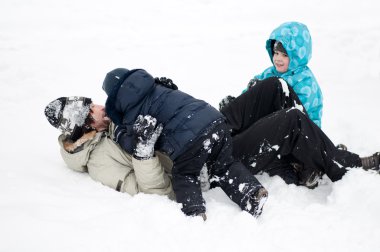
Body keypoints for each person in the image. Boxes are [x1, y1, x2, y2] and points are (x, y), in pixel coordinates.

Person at [102, 68, 269, 220]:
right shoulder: (156, 86)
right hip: (214, 120)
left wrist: (119, 133)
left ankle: (194, 213)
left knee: (184, 174)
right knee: (224, 164)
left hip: (190, 140)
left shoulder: (132, 112)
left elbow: (135, 143)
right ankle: (252, 194)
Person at [220, 77, 380, 188]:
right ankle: (341, 163)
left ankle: (309, 162)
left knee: (277, 86)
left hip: (219, 128)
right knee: (292, 119)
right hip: (218, 154)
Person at [44, 96, 174, 198]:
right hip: (186, 181)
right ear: (86, 127)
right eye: (91, 111)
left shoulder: (117, 119)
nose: (101, 107)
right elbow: (155, 195)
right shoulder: (99, 164)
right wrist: (144, 154)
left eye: (93, 104)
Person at [242, 21, 323, 127]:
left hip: (300, 134)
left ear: (296, 57)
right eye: (276, 53)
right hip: (269, 126)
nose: (278, 59)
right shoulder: (269, 73)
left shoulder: (305, 83)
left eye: (284, 55)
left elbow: (296, 116)